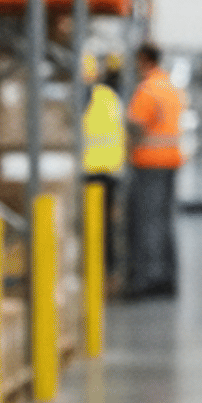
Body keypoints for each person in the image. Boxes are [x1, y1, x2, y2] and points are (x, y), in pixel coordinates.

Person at [125, 42, 183, 298]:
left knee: (147, 222)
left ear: (144, 60)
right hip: (171, 160)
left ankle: (148, 279)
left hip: (150, 162)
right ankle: (168, 277)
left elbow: (136, 125)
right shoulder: (170, 86)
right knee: (164, 221)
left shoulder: (148, 89)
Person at [81, 52, 127, 293]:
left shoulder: (84, 97)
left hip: (89, 170)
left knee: (93, 225)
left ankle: (97, 270)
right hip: (110, 170)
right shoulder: (110, 96)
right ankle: (108, 272)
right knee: (106, 226)